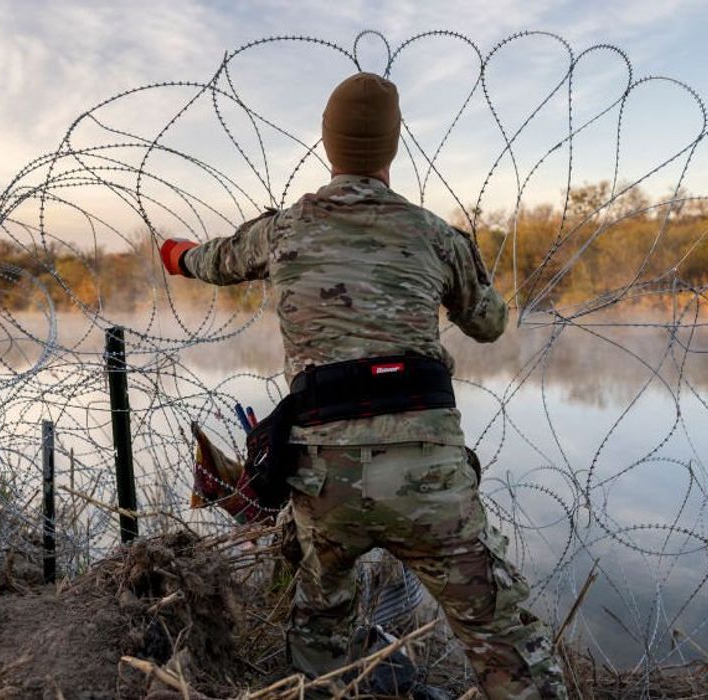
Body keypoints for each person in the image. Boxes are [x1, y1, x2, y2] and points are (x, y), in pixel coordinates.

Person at [159, 73, 567, 698]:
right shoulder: (436, 235)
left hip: (326, 480)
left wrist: (173, 252)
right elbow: (489, 325)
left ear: (328, 144)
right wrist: (470, 280)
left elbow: (208, 262)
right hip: (430, 478)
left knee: (321, 637)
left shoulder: (283, 231)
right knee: (505, 641)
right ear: (393, 147)